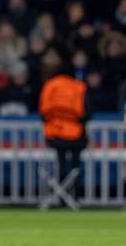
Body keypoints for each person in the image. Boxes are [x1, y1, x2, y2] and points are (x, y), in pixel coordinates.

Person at [38, 69, 89, 199]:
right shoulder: (79, 86)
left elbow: (43, 113)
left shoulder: (50, 85)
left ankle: (61, 198)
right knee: (75, 166)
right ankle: (75, 197)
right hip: (77, 135)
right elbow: (86, 113)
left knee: (61, 165)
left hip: (55, 133)